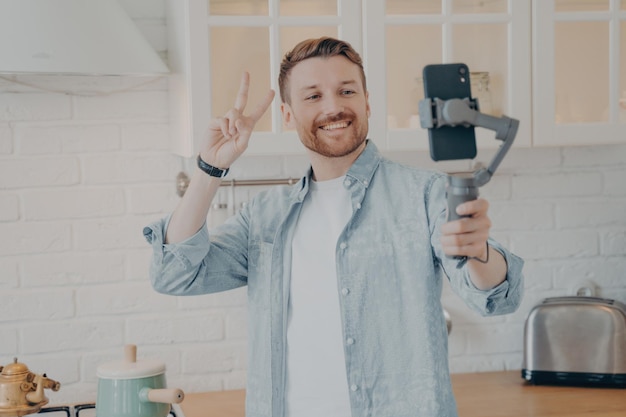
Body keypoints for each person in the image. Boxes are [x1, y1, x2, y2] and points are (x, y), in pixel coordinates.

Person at [144, 37, 523, 417]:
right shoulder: (264, 217)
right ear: (288, 115)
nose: (334, 106)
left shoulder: (424, 195)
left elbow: (496, 297)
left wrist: (479, 250)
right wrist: (210, 168)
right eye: (313, 96)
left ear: (367, 102)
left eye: (346, 90)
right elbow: (173, 275)